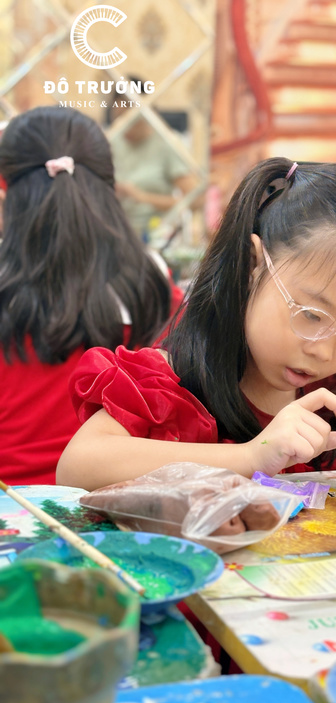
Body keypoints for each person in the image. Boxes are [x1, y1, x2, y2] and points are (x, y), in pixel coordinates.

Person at [57, 158, 336, 491]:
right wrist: (250, 457)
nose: (324, 352)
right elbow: (78, 466)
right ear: (252, 265)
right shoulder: (170, 385)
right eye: (311, 316)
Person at [0, 106, 173, 486]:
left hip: (12, 507)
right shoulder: (154, 281)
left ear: (7, 188)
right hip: (118, 507)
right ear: (109, 181)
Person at [108, 79, 194, 240]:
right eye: (117, 118)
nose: (123, 126)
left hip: (155, 233)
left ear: (146, 114)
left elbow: (194, 200)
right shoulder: (111, 140)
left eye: (128, 118)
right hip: (115, 231)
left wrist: (141, 197)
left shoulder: (167, 143)